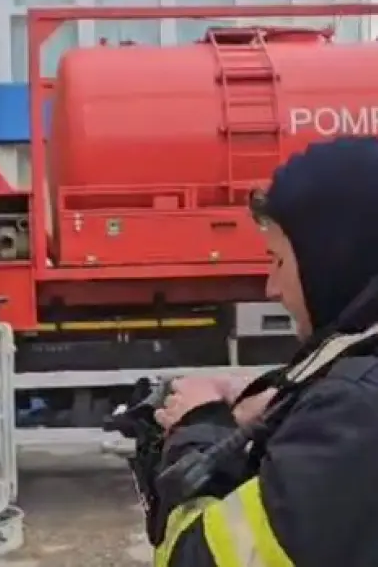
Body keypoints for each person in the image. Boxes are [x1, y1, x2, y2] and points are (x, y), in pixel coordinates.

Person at [151, 137, 378, 567]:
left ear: (334, 259)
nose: (272, 288)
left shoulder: (356, 411)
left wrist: (198, 431)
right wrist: (291, 411)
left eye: (278, 260)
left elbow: (199, 559)